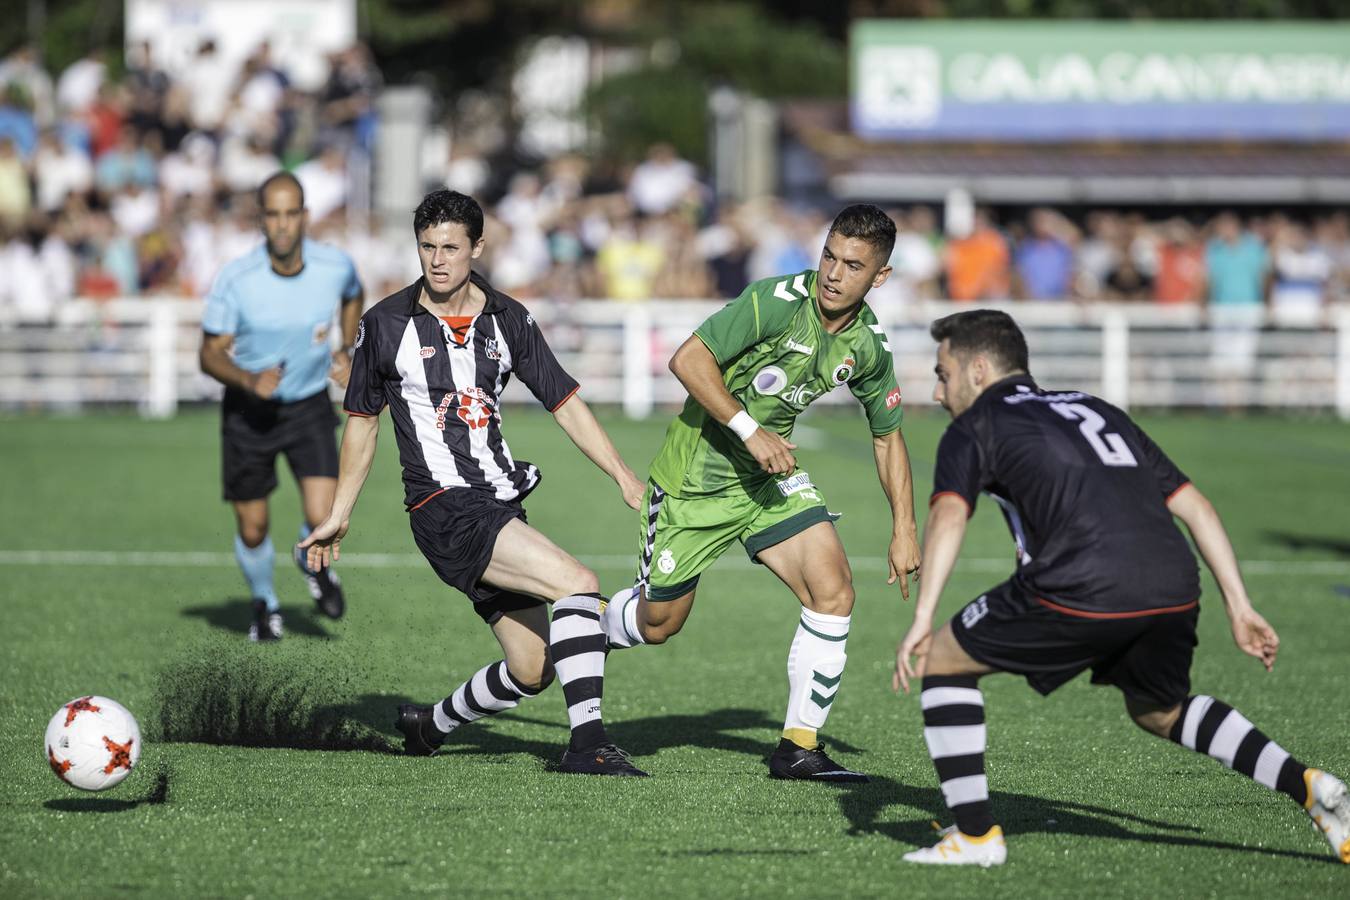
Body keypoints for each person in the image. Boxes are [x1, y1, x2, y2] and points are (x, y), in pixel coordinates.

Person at [892, 309, 1349, 866]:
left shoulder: (974, 425)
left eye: (942, 374)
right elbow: (1195, 506)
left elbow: (948, 516)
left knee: (943, 658)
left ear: (979, 369)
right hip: (1175, 584)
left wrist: (923, 616)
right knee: (1159, 710)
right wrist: (1239, 605)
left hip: (1082, 583)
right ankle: (1310, 787)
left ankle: (975, 837)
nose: (937, 392)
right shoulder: (1093, 407)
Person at [298, 189, 649, 776]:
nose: (437, 260)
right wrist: (340, 511)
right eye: (427, 247)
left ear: (477, 247)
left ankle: (429, 725)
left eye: (450, 247)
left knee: (534, 665)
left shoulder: (509, 319)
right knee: (578, 584)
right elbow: (361, 426)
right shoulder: (385, 324)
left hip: (498, 503)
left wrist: (622, 475)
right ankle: (588, 746)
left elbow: (564, 401)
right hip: (444, 509)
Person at [595, 204, 922, 781]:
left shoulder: (868, 344)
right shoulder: (775, 301)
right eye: (828, 255)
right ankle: (580, 624)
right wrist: (750, 430)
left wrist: (904, 528)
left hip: (769, 483)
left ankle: (798, 747)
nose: (833, 273)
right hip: (694, 482)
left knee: (834, 591)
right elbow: (688, 359)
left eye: (852, 265)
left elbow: (888, 435)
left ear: (880, 277)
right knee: (658, 626)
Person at [200, 171, 362, 641]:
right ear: (261, 220)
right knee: (253, 528)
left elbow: (354, 294)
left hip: (309, 403)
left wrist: (348, 347)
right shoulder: (237, 279)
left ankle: (310, 563)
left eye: (292, 213)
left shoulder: (335, 266)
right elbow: (208, 353)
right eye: (274, 214)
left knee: (325, 517)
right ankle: (265, 604)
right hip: (250, 412)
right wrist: (249, 379)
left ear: (305, 216)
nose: (284, 224)